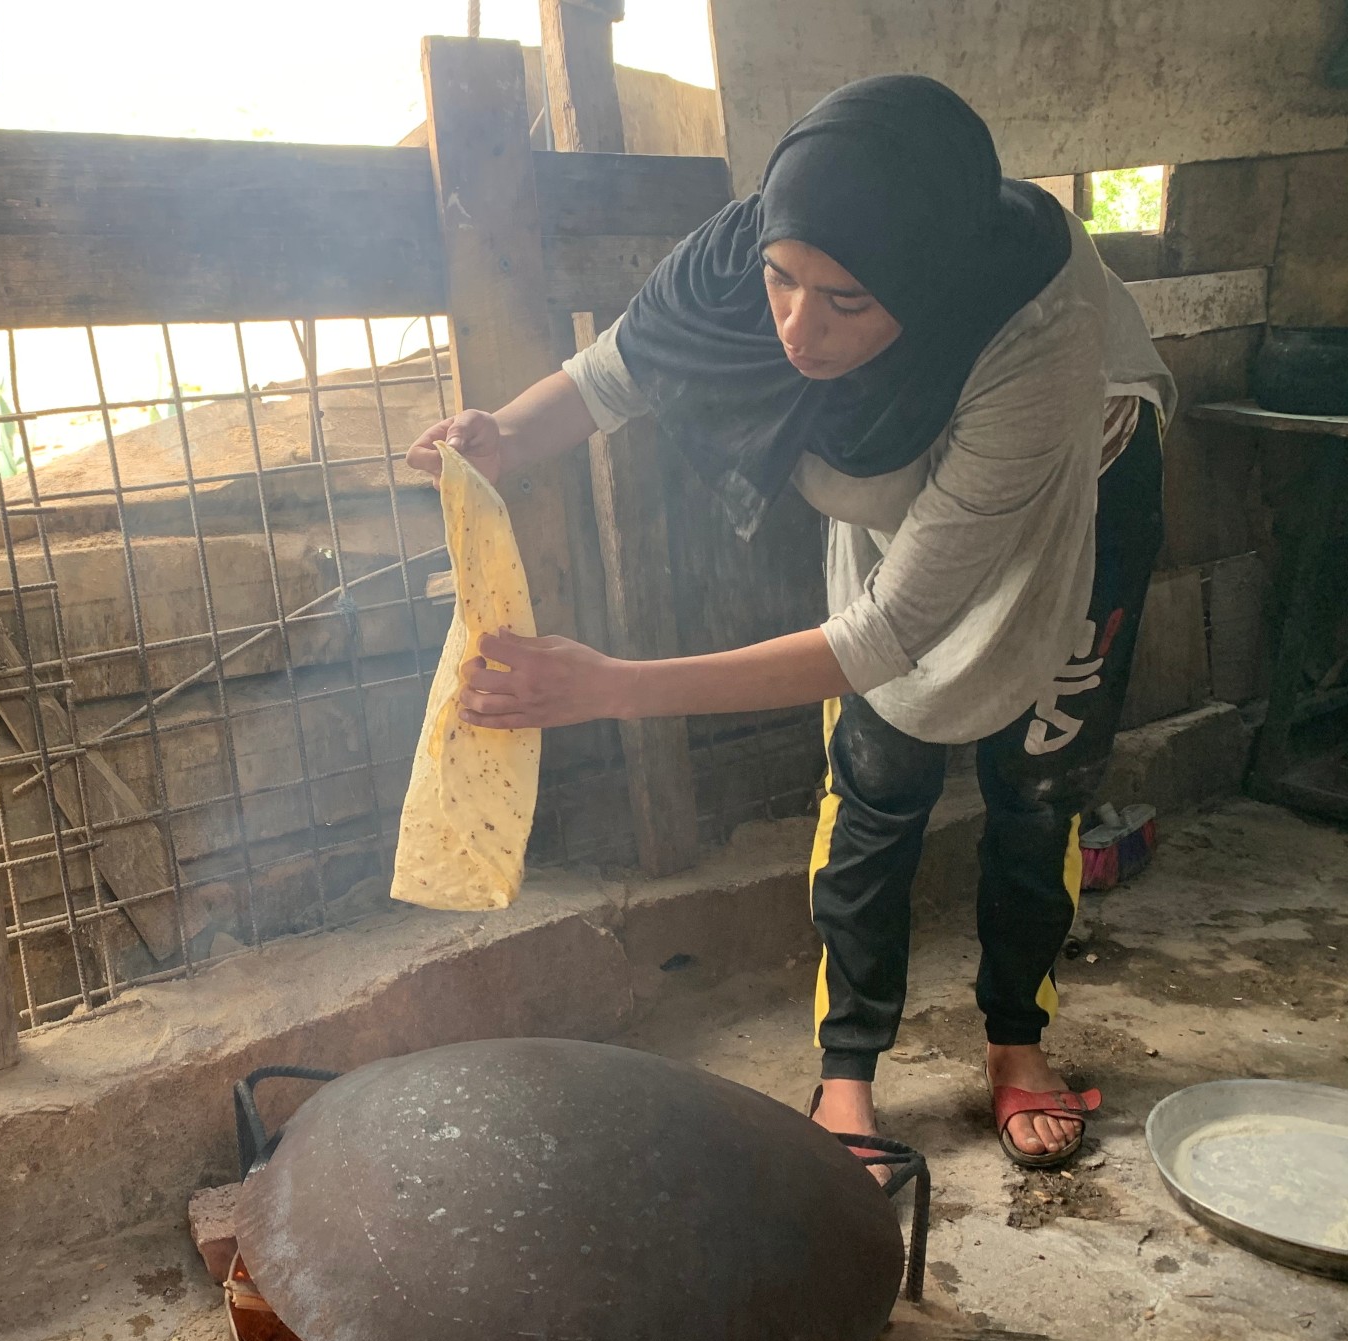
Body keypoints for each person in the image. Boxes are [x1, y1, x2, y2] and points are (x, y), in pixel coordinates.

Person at [406, 75, 1174, 1172]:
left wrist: (611, 687)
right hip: (911, 494)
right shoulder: (761, 252)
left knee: (1037, 780)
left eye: (843, 302)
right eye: (779, 281)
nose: (795, 331)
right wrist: (499, 437)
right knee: (872, 772)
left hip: (1077, 496)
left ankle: (1015, 1044)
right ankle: (845, 1075)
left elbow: (880, 635)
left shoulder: (1031, 333)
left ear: (918, 285)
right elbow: (615, 370)